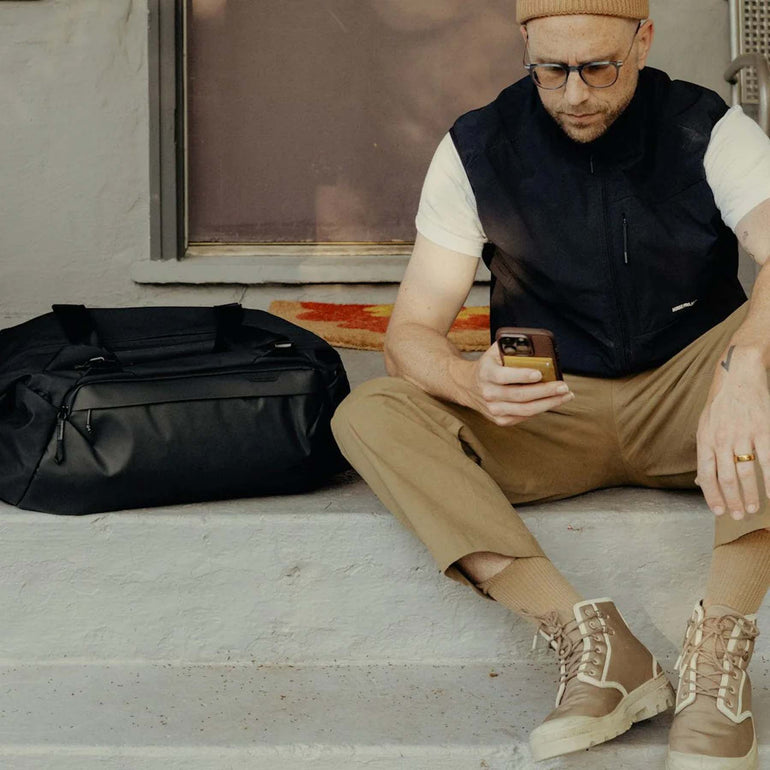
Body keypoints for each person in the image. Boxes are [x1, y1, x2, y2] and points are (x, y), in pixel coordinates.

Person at [330, 0, 770, 766]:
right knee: (369, 412)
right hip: (548, 407)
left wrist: (745, 372)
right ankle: (598, 649)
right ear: (525, 46)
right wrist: (468, 381)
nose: (574, 94)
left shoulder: (708, 128)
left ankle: (717, 666)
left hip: (690, 403)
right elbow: (410, 334)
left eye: (598, 68)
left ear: (643, 41)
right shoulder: (477, 146)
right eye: (551, 71)